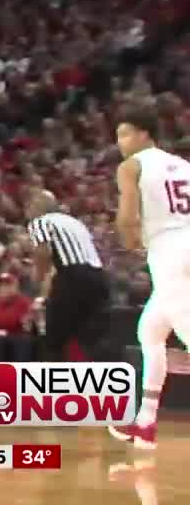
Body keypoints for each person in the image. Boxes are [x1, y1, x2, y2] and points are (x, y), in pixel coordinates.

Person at [110, 107, 190, 449]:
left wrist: (130, 243)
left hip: (170, 252)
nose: (120, 142)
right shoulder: (184, 165)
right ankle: (145, 421)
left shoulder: (132, 165)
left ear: (144, 134)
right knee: (150, 331)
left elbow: (127, 217)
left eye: (125, 133)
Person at [25, 189, 110, 360]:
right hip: (98, 277)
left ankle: (54, 380)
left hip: (73, 277)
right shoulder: (75, 223)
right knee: (86, 336)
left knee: (54, 336)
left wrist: (37, 279)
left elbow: (43, 254)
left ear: (36, 207)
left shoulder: (40, 222)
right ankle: (94, 380)